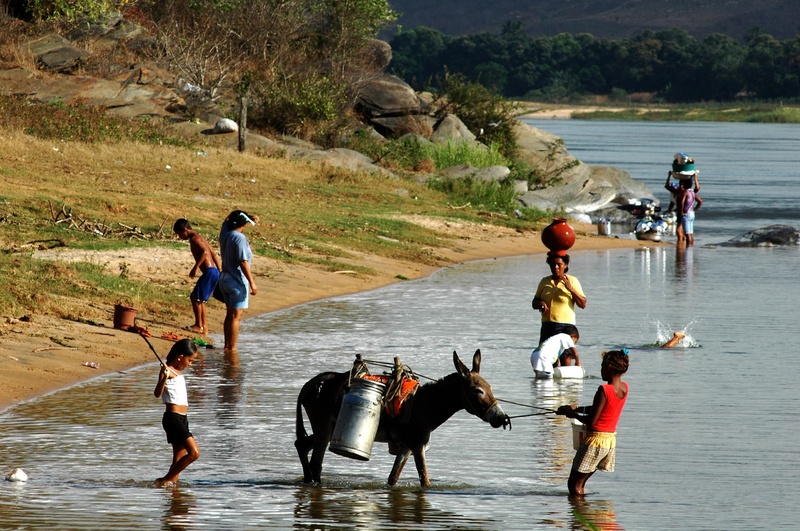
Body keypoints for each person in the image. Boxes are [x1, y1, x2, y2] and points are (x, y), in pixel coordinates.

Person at [557, 349, 629, 497]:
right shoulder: (624, 388)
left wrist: (571, 414)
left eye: (602, 366)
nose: (600, 369)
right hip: (609, 442)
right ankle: (586, 514)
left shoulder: (604, 389)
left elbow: (591, 420)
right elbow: (600, 408)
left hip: (594, 442)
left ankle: (581, 516)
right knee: (581, 483)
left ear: (609, 368)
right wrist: (575, 408)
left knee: (573, 484)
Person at [153, 339, 201, 488]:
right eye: (190, 360)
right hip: (173, 419)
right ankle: (164, 480)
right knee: (194, 453)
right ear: (180, 357)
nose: (190, 364)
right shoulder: (167, 371)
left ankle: (172, 490)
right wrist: (164, 377)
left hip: (182, 418)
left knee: (178, 458)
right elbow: (157, 393)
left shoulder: (177, 372)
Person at [218, 210, 258, 354]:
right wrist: (252, 282)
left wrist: (246, 216)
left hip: (224, 279)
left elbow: (226, 219)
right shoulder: (239, 238)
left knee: (229, 315)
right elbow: (242, 261)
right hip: (237, 282)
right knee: (236, 317)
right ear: (244, 223)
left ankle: (227, 346)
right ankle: (232, 349)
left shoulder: (225, 235)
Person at [173, 218, 222, 334]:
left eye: (179, 234)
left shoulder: (195, 239)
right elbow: (213, 253)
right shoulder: (201, 237)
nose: (179, 237)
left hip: (209, 271)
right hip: (214, 271)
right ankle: (204, 327)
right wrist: (220, 270)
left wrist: (195, 267)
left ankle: (198, 325)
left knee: (195, 298)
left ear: (185, 230)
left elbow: (205, 253)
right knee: (200, 300)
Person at [532, 253, 587, 344]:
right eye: (553, 264)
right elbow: (534, 302)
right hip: (547, 325)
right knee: (543, 356)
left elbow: (583, 304)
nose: (556, 267)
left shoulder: (572, 281)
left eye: (559, 264)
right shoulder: (544, 281)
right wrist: (540, 303)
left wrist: (570, 288)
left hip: (565, 326)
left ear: (566, 265)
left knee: (564, 356)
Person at [678, 178, 703, 246]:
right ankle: (691, 246)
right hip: (691, 213)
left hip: (686, 213)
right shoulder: (692, 192)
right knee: (691, 233)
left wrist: (681, 212)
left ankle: (688, 248)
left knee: (687, 233)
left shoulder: (685, 192)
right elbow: (700, 201)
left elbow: (682, 203)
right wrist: (695, 210)